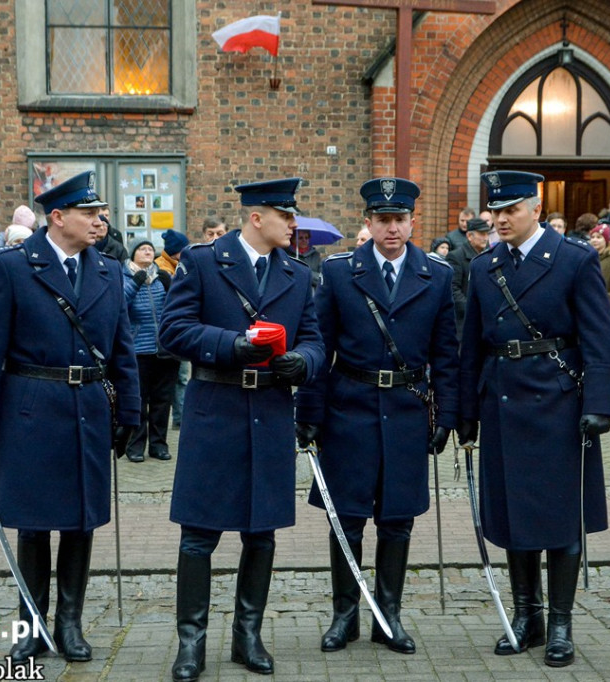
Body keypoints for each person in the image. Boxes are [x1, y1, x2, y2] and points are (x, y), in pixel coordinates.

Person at [0, 171, 141, 664]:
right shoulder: (11, 267)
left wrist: (131, 410)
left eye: (100, 213)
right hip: (31, 409)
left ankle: (70, 624)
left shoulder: (106, 270)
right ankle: (31, 625)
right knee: (34, 525)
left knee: (81, 522)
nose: (99, 220)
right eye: (89, 213)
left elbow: (122, 348)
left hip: (87, 411)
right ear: (58, 217)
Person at [158, 177, 325, 680]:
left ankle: (247, 637)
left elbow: (315, 337)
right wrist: (230, 344)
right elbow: (173, 329)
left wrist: (304, 361)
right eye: (286, 215)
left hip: (270, 411)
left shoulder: (296, 275)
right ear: (257, 217)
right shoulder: (204, 261)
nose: (294, 224)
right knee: (198, 536)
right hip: (216, 410)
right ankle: (191, 643)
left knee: (261, 534)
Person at [458, 170, 610, 667]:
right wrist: (465, 413)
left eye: (511, 210)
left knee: (561, 516)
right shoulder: (485, 267)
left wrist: (598, 405)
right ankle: (528, 616)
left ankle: (561, 624)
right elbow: (470, 347)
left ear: (535, 206)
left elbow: (600, 339)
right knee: (511, 513)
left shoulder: (574, 260)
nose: (501, 219)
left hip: (560, 404)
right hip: (502, 401)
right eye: (495, 212)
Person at [294, 178, 458, 656]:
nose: (391, 228)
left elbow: (446, 352)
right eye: (382, 220)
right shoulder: (341, 272)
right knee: (346, 520)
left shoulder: (437, 274)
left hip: (407, 411)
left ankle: (388, 617)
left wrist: (446, 413)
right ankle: (344, 615)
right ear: (367, 223)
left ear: (412, 223)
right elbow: (319, 347)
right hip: (350, 409)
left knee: (397, 520)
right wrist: (310, 412)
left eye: (399, 219)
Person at [122, 240, 176, 462]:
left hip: (164, 350)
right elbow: (120, 306)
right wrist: (135, 283)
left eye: (150, 249)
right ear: (133, 254)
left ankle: (158, 445)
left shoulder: (161, 277)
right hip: (138, 350)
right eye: (142, 249)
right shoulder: (124, 277)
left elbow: (177, 308)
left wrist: (170, 287)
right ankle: (135, 447)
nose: (147, 251)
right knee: (139, 401)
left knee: (162, 402)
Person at [447, 216, 493, 340]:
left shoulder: (491, 256)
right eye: (481, 234)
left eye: (487, 234)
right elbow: (453, 288)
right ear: (469, 236)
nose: (485, 238)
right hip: (465, 321)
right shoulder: (456, 257)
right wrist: (471, 309)